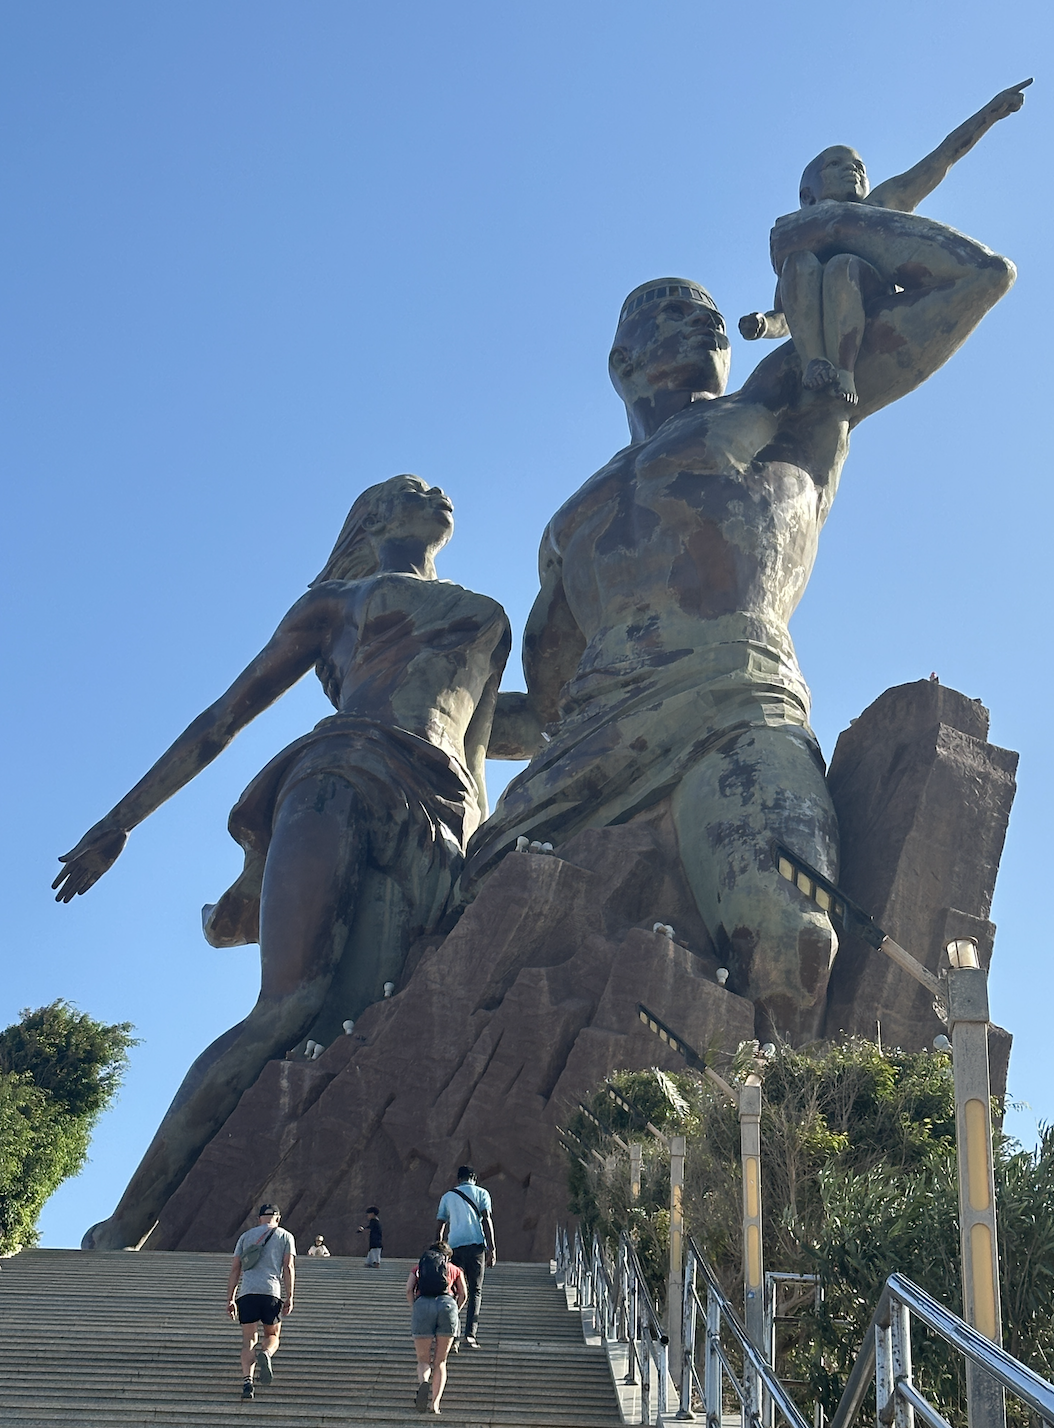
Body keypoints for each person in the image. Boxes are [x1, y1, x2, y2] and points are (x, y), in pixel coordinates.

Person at [464, 188, 1017, 1043]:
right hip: (588, 744)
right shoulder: (572, 521)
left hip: (736, 704)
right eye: (674, 312)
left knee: (791, 941)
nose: (707, 326)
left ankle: (773, 1126)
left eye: (716, 321)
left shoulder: (786, 401)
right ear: (623, 361)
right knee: (455, 929)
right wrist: (420, 734)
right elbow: (545, 704)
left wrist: (829, 227)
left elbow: (977, 278)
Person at [56, 476, 512, 1251]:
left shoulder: (487, 615)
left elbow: (484, 735)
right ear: (375, 519)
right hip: (340, 774)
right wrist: (120, 821)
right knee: (288, 1006)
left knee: (393, 1006)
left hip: (443, 809)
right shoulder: (338, 602)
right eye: (415, 489)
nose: (439, 493)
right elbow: (222, 717)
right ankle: (127, 1222)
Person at [739, 80, 1030, 403]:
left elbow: (941, 158)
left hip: (870, 294)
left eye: (858, 167)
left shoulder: (880, 203)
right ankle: (814, 363)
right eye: (836, 165)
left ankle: (845, 373)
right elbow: (789, 315)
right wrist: (763, 325)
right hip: (819, 327)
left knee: (842, 266)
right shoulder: (799, 236)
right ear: (808, 195)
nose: (852, 170)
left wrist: (989, 115)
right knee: (799, 262)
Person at [226, 1204, 295, 1401]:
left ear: (259, 1218)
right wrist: (290, 1296)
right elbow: (288, 1266)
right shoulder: (285, 1236)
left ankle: (247, 1382)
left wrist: (230, 1298)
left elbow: (235, 1268)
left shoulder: (245, 1236)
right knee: (272, 1334)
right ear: (278, 1218)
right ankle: (266, 1353)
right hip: (271, 1292)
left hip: (247, 1293)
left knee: (248, 1340)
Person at [435, 1166, 495, 1349]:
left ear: (458, 1179)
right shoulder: (482, 1193)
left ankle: (451, 1336)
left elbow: (440, 1224)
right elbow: (487, 1220)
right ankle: (470, 1335)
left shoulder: (447, 1196)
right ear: (474, 1178)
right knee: (475, 1290)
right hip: (476, 1247)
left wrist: (439, 1250)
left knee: (454, 1291)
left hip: (454, 1249)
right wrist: (492, 1248)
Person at [406, 1240, 467, 1415]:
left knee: (423, 1359)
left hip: (423, 1305)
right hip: (447, 1305)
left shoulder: (419, 1267)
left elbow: (409, 1289)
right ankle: (435, 1404)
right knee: (440, 1361)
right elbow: (463, 1294)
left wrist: (415, 1307)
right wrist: (455, 1310)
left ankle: (424, 1382)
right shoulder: (454, 1269)